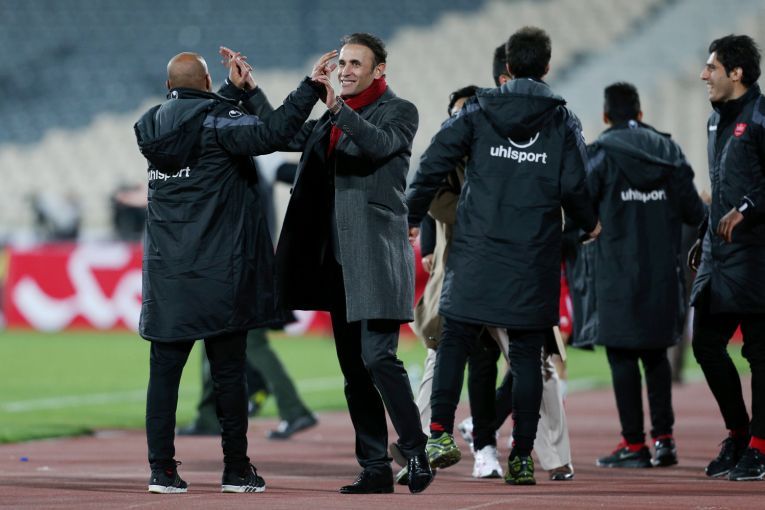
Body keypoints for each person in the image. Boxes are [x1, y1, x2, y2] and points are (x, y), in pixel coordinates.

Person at [133, 49, 334, 494]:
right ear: (206, 83)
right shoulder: (220, 122)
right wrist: (310, 87)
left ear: (169, 87)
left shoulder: (151, 126)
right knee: (228, 375)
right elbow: (275, 132)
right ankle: (236, 470)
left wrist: (231, 91)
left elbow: (198, 122)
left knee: (163, 378)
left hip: (167, 277)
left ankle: (162, 471)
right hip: (220, 274)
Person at [406, 26, 599, 486]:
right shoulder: (562, 120)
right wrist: (587, 223)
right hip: (532, 255)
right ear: (546, 67)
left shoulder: (477, 110)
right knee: (527, 357)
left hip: (476, 250)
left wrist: (412, 214)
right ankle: (523, 457)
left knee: (454, 341)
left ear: (507, 67)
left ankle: (439, 435)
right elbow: (577, 184)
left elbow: (433, 162)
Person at [274, 33, 433, 494]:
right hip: (336, 261)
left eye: (355, 64)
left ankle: (416, 450)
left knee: (378, 358)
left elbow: (378, 146)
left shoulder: (399, 111)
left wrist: (337, 110)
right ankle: (374, 467)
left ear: (379, 70)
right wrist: (299, 90)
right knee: (354, 371)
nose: (344, 70)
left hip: (376, 256)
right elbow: (281, 134)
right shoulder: (330, 117)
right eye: (341, 63)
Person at [586, 82, 705, 469]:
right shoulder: (669, 151)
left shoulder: (600, 154)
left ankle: (634, 444)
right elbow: (695, 213)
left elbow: (578, 205)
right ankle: (665, 441)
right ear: (640, 114)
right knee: (656, 356)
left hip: (616, 272)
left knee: (622, 356)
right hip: (662, 273)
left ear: (606, 116)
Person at [690, 34, 765, 481]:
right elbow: (722, 186)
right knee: (704, 344)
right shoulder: (714, 121)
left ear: (736, 73)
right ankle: (738, 433)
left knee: (760, 353)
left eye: (711, 67)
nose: (704, 75)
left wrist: (748, 209)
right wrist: (705, 232)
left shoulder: (761, 117)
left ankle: (759, 446)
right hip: (720, 254)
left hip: (757, 255)